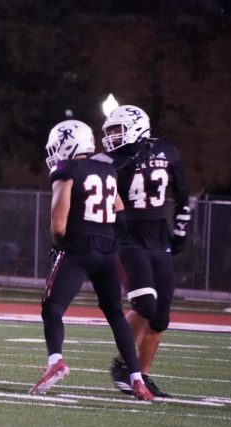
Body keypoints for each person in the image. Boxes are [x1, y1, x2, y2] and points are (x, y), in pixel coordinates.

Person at [29, 119, 153, 400]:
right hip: (107, 250)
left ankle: (56, 361)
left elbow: (58, 224)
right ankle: (136, 378)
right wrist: (112, 240)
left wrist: (60, 246)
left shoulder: (66, 169)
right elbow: (119, 208)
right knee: (116, 315)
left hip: (79, 247)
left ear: (69, 143)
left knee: (52, 308)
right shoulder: (106, 169)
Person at [102, 105, 191, 398]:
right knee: (145, 304)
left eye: (117, 130)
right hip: (128, 239)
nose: (112, 137)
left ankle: (143, 376)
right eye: (110, 131)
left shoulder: (166, 150)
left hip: (158, 238)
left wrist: (181, 226)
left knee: (160, 316)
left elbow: (182, 193)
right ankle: (123, 365)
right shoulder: (113, 161)